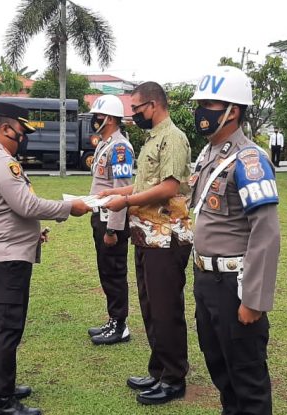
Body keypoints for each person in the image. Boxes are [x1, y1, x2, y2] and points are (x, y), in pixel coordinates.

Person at [0, 102, 91, 415]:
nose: (23, 138)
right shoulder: (0, 160)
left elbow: (3, 211)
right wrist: (69, 208)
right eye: (20, 132)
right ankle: (0, 401)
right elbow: (26, 205)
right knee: (5, 328)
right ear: (5, 129)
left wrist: (32, 234)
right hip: (3, 258)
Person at [184, 66, 280, 414]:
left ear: (233, 111)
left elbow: (266, 233)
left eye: (210, 104)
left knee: (246, 375)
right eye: (201, 104)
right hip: (206, 278)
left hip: (233, 283)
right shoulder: (210, 153)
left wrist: (254, 299)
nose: (201, 112)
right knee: (220, 366)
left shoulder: (250, 160)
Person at [101, 81, 194, 406]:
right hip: (146, 236)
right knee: (151, 307)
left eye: (137, 108)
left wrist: (125, 202)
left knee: (166, 309)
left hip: (166, 237)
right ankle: (159, 370)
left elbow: (169, 187)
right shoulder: (153, 138)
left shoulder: (173, 138)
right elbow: (145, 185)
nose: (134, 114)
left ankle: (174, 378)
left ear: (153, 105)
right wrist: (116, 192)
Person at [86, 95, 134, 346]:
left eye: (98, 116)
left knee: (114, 272)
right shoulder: (105, 145)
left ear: (111, 119)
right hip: (100, 216)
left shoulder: (120, 148)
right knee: (106, 270)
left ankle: (120, 325)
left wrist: (113, 229)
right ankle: (113, 319)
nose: (95, 120)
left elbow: (121, 190)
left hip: (111, 220)